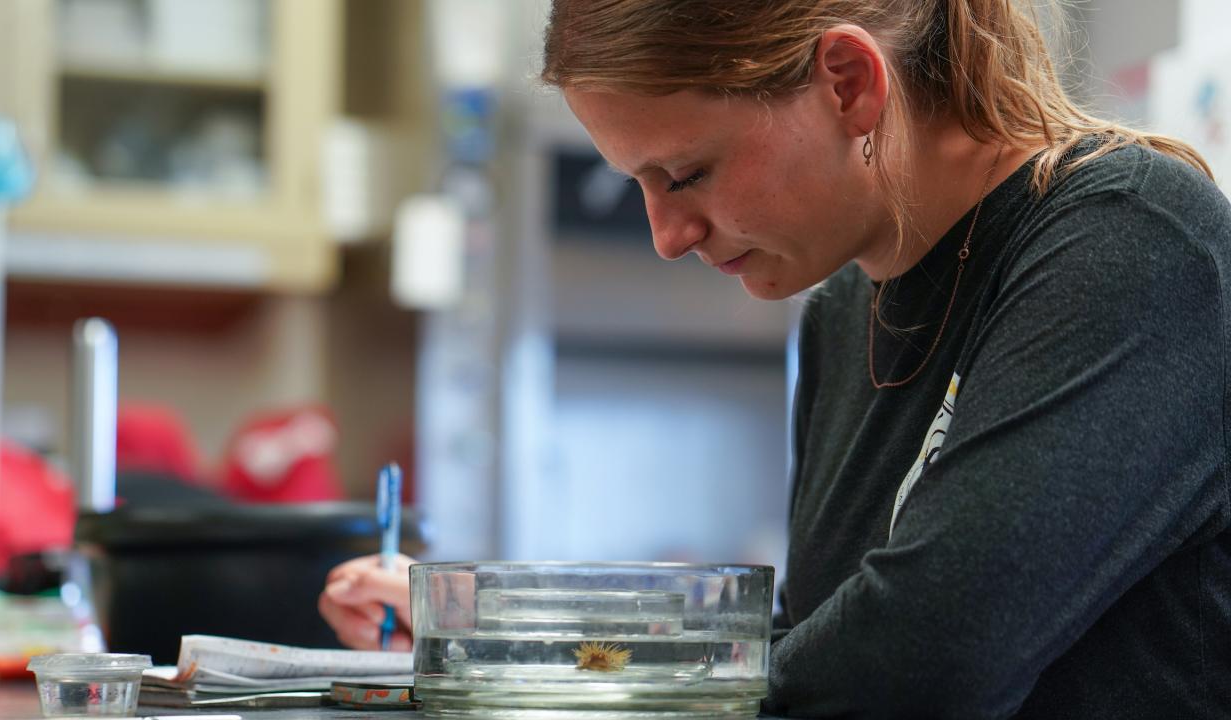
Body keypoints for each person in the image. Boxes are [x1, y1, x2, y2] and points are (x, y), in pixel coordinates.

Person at [322, 1, 1231, 716]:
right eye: (634, 183)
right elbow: (801, 655)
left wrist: (531, 645)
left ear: (847, 82)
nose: (668, 237)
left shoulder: (1133, 244)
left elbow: (917, 667)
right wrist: (494, 635)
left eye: (685, 175)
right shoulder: (844, 312)